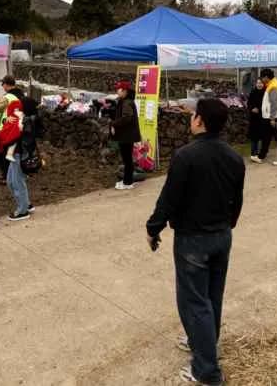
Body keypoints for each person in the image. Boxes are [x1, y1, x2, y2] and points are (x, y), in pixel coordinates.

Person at [145, 98, 245, 386]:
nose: (191, 119)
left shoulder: (186, 156)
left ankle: (207, 371)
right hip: (222, 236)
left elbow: (170, 198)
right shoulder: (234, 157)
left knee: (194, 302)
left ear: (200, 121)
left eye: (194, 115)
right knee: (212, 297)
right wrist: (228, 224)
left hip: (193, 239)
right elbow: (237, 200)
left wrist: (154, 227)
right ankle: (201, 343)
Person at [0, 76, 26, 179]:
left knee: (5, 154)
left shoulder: (9, 97)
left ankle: (6, 175)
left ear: (6, 84)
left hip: (6, 128)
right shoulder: (20, 95)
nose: (2, 86)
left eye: (3, 84)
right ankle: (14, 174)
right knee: (14, 152)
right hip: (17, 127)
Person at [111, 80, 142, 190]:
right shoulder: (124, 101)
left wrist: (114, 124)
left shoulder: (127, 102)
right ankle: (127, 180)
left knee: (127, 159)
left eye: (118, 89)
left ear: (124, 91)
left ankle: (128, 182)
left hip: (127, 135)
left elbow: (127, 118)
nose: (117, 91)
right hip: (126, 135)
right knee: (127, 158)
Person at [254, 69, 277, 166]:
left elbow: (274, 103)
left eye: (262, 78)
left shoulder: (274, 86)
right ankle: (261, 156)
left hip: (276, 117)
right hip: (270, 117)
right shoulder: (271, 84)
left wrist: (272, 118)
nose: (262, 80)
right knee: (266, 137)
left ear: (266, 77)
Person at [246, 79, 266, 158]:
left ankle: (259, 153)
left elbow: (267, 105)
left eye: (261, 83)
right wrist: (252, 109)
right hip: (254, 118)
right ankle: (253, 153)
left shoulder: (265, 93)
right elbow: (249, 103)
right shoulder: (253, 92)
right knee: (254, 136)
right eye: (258, 83)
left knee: (261, 136)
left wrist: (259, 109)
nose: (259, 84)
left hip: (262, 117)